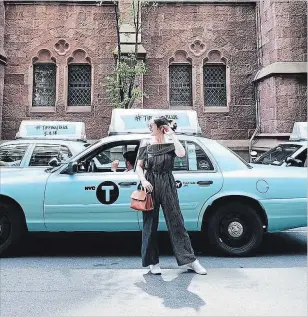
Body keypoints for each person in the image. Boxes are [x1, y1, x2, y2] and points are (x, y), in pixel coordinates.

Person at [135, 116, 207, 275]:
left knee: (176, 221)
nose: (150, 128)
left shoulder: (170, 142)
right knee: (150, 223)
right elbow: (139, 167)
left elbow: (181, 154)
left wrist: (172, 134)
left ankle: (190, 261)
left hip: (167, 181)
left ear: (161, 127)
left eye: (152, 126)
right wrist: (143, 180)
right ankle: (152, 262)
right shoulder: (145, 142)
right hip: (150, 184)